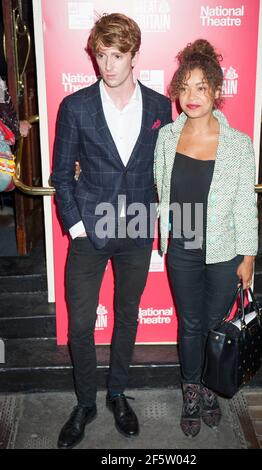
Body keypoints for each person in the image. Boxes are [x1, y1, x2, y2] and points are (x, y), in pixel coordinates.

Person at [51, 13, 172, 448]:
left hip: (137, 231)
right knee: (80, 325)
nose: (108, 64)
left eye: (117, 55)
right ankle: (85, 403)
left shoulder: (160, 107)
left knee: (127, 316)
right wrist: (77, 226)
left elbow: (162, 173)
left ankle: (117, 393)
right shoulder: (76, 106)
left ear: (134, 55)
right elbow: (61, 175)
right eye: (101, 55)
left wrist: (161, 224)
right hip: (90, 231)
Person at [154, 39, 258, 437]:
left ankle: (211, 389)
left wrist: (247, 254)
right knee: (190, 324)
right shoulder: (166, 138)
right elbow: (160, 187)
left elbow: (246, 205)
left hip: (222, 251)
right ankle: (191, 392)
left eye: (201, 87)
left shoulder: (238, 145)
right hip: (181, 246)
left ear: (216, 90)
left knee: (215, 324)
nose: (191, 96)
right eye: (184, 87)